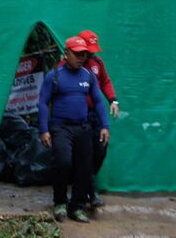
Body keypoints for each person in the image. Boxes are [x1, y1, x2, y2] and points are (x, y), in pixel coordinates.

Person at [38, 35, 110, 223]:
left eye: (84, 54)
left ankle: (77, 206)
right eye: (77, 54)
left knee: (85, 168)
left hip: (83, 128)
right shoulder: (54, 76)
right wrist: (44, 129)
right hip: (61, 128)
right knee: (63, 163)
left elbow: (99, 102)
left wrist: (104, 126)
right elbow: (43, 103)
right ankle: (60, 202)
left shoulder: (88, 76)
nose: (81, 58)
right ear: (66, 53)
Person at [77, 29, 120, 208]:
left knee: (100, 150)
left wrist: (113, 100)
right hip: (77, 116)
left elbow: (105, 82)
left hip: (94, 114)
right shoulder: (70, 66)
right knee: (84, 153)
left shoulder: (96, 63)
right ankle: (90, 192)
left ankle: (86, 181)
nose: (92, 52)